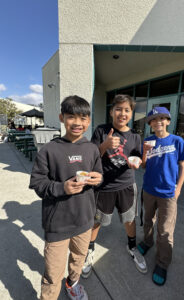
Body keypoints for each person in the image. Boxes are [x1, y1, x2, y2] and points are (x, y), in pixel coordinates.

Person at [29, 95, 103, 300]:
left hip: (85, 220)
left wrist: (99, 179)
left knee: (79, 259)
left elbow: (99, 174)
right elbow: (37, 183)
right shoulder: (49, 150)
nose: (77, 123)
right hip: (58, 222)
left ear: (88, 120)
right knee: (53, 273)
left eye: (83, 118)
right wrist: (63, 188)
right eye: (71, 117)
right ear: (62, 118)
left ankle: (73, 283)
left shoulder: (92, 148)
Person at [81, 94, 147, 279]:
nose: (122, 113)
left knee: (129, 219)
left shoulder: (135, 136)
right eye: (118, 109)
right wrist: (105, 144)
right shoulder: (101, 130)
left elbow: (136, 158)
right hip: (103, 186)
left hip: (126, 185)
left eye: (127, 110)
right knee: (97, 220)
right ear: (111, 111)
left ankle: (132, 246)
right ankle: (89, 250)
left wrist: (136, 163)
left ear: (131, 113)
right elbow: (92, 156)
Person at [137, 107, 184, 286]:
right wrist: (144, 151)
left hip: (168, 193)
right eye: (154, 119)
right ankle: (147, 242)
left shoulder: (177, 141)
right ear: (150, 124)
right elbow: (144, 165)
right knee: (147, 220)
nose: (158, 121)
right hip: (149, 189)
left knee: (165, 230)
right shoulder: (148, 140)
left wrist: (179, 189)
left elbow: (183, 166)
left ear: (168, 121)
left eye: (162, 118)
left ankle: (162, 263)